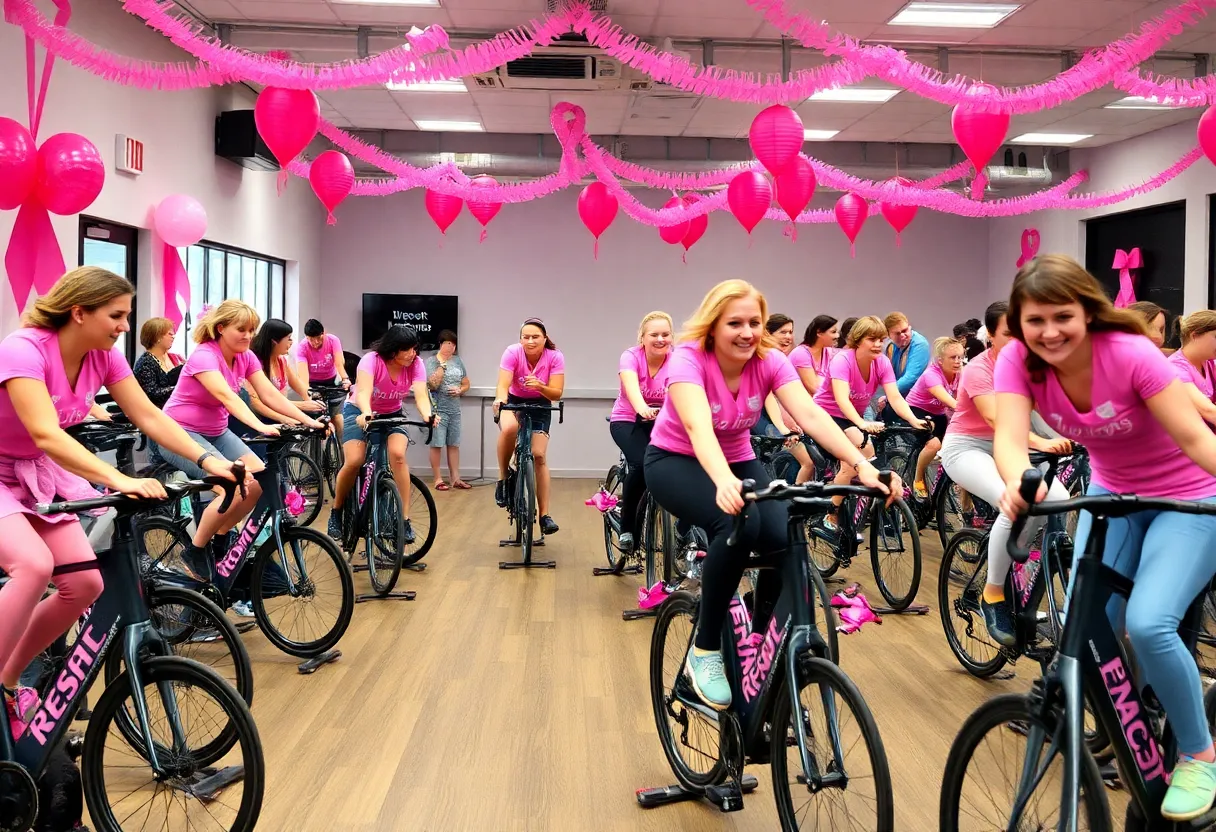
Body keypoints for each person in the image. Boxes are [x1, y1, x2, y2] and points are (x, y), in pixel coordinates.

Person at [994, 255, 1216, 821]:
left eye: (1062, 317)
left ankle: (1196, 751)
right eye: (1034, 320)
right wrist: (1022, 485)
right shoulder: (1018, 361)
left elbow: (1195, 439)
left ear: (1089, 314)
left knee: (1148, 623)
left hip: (1186, 499)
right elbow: (1011, 442)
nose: (1048, 332)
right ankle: (1130, 728)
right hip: (1112, 497)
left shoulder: (1130, 353)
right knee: (1084, 626)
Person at [0, 267, 238, 737]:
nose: (126, 326)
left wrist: (207, 460)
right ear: (79, 311)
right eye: (117, 315)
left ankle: (8, 683)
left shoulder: (103, 358)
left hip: (37, 475)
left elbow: (149, 414)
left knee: (85, 584)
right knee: (33, 566)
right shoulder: (23, 349)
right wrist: (116, 478)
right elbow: (46, 433)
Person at [643, 280, 894, 709]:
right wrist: (723, 481)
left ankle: (757, 634)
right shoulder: (688, 358)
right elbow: (697, 426)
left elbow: (811, 414)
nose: (746, 332)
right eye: (734, 323)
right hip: (675, 459)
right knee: (735, 522)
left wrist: (865, 466)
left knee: (784, 536)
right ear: (712, 326)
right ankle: (704, 652)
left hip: (738, 459)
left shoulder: (770, 361)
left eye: (754, 323)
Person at [154, 300, 322, 581]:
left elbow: (270, 395)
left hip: (217, 432)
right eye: (241, 329)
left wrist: (309, 421)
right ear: (220, 328)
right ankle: (195, 552)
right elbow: (227, 396)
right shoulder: (204, 356)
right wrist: (260, 426)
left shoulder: (245, 357)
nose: (247, 336)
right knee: (231, 485)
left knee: (255, 485)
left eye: (252, 330)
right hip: (180, 433)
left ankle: (219, 543)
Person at [939, 300, 1071, 646]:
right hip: (968, 447)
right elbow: (998, 419)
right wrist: (1042, 441)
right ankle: (993, 593)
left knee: (1058, 499)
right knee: (1012, 504)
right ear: (990, 337)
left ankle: (1017, 571)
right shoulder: (978, 369)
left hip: (1012, 448)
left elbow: (1049, 410)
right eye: (1009, 334)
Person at [811, 315, 929, 536]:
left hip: (851, 417)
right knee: (863, 453)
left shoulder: (882, 362)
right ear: (858, 340)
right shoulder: (843, 360)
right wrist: (861, 423)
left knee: (857, 463)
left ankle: (849, 510)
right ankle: (829, 514)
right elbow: (841, 399)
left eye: (881, 340)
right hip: (827, 415)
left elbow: (894, 397)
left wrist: (913, 420)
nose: (878, 345)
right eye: (871, 339)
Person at [329, 325, 436, 544]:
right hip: (359, 410)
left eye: (414, 349)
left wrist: (428, 415)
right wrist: (367, 413)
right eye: (406, 349)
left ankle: (403, 519)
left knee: (398, 455)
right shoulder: (371, 360)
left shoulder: (416, 364)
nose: (411, 354)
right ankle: (337, 511)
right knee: (355, 461)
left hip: (392, 413)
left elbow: (421, 395)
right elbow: (364, 392)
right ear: (392, 349)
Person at [493, 318, 565, 536]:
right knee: (509, 429)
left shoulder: (555, 357)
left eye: (535, 337)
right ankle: (503, 477)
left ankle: (544, 515)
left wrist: (541, 386)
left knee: (538, 455)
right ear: (520, 339)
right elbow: (503, 385)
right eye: (526, 337)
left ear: (545, 339)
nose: (531, 341)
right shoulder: (512, 352)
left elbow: (556, 393)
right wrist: (500, 400)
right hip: (513, 401)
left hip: (541, 404)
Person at [608, 312, 672, 553]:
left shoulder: (676, 360)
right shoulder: (631, 356)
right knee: (640, 463)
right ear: (642, 338)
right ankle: (627, 528)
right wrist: (642, 408)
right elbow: (632, 387)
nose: (660, 339)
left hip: (662, 421)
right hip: (628, 419)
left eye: (665, 335)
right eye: (654, 334)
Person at [756, 314, 816, 485]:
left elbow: (791, 396)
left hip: (775, 415)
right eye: (783, 332)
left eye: (790, 332)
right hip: (760, 417)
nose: (788, 337)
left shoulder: (780, 358)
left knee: (805, 460)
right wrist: (784, 427)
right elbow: (770, 396)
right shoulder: (765, 357)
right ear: (767, 334)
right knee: (805, 461)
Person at [905, 337, 964, 499]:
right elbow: (952, 403)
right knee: (934, 444)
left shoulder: (959, 374)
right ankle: (918, 478)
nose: (958, 361)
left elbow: (962, 399)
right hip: (916, 411)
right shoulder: (931, 375)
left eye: (961, 357)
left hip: (938, 413)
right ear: (940, 360)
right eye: (953, 357)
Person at [246, 319, 324, 426]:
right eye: (288, 339)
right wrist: (295, 410)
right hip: (263, 420)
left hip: (283, 414)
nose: (291, 343)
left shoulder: (281, 361)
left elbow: (301, 388)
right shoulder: (254, 363)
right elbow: (257, 403)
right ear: (274, 342)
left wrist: (312, 401)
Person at [425, 330, 470, 490]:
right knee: (437, 444)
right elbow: (432, 385)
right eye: (448, 343)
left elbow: (466, 383)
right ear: (441, 344)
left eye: (453, 344)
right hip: (438, 410)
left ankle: (455, 478)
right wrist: (442, 367)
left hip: (455, 410)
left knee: (454, 444)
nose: (451, 347)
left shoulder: (458, 361)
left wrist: (460, 390)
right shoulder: (432, 361)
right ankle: (438, 479)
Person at [296, 318, 351, 432]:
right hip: (313, 384)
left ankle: (341, 447)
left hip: (331, 381)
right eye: (311, 339)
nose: (316, 342)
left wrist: (345, 378)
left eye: (319, 338)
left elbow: (339, 363)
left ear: (323, 333)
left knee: (336, 416)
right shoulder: (302, 347)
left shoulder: (333, 340)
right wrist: (307, 395)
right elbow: (303, 376)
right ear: (306, 337)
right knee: (315, 416)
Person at [1169, 311, 1216, 427]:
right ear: (1194, 336)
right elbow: (1208, 411)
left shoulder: (1209, 362)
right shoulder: (1175, 368)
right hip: (1183, 441)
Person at [132, 317, 184, 407]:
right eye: (169, 334)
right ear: (157, 337)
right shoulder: (145, 363)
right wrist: (181, 388)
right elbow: (152, 394)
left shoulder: (175, 357)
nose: (173, 336)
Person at [789, 314, 839, 396]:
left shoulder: (829, 352)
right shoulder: (801, 353)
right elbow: (814, 388)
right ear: (819, 332)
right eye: (833, 332)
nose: (837, 336)